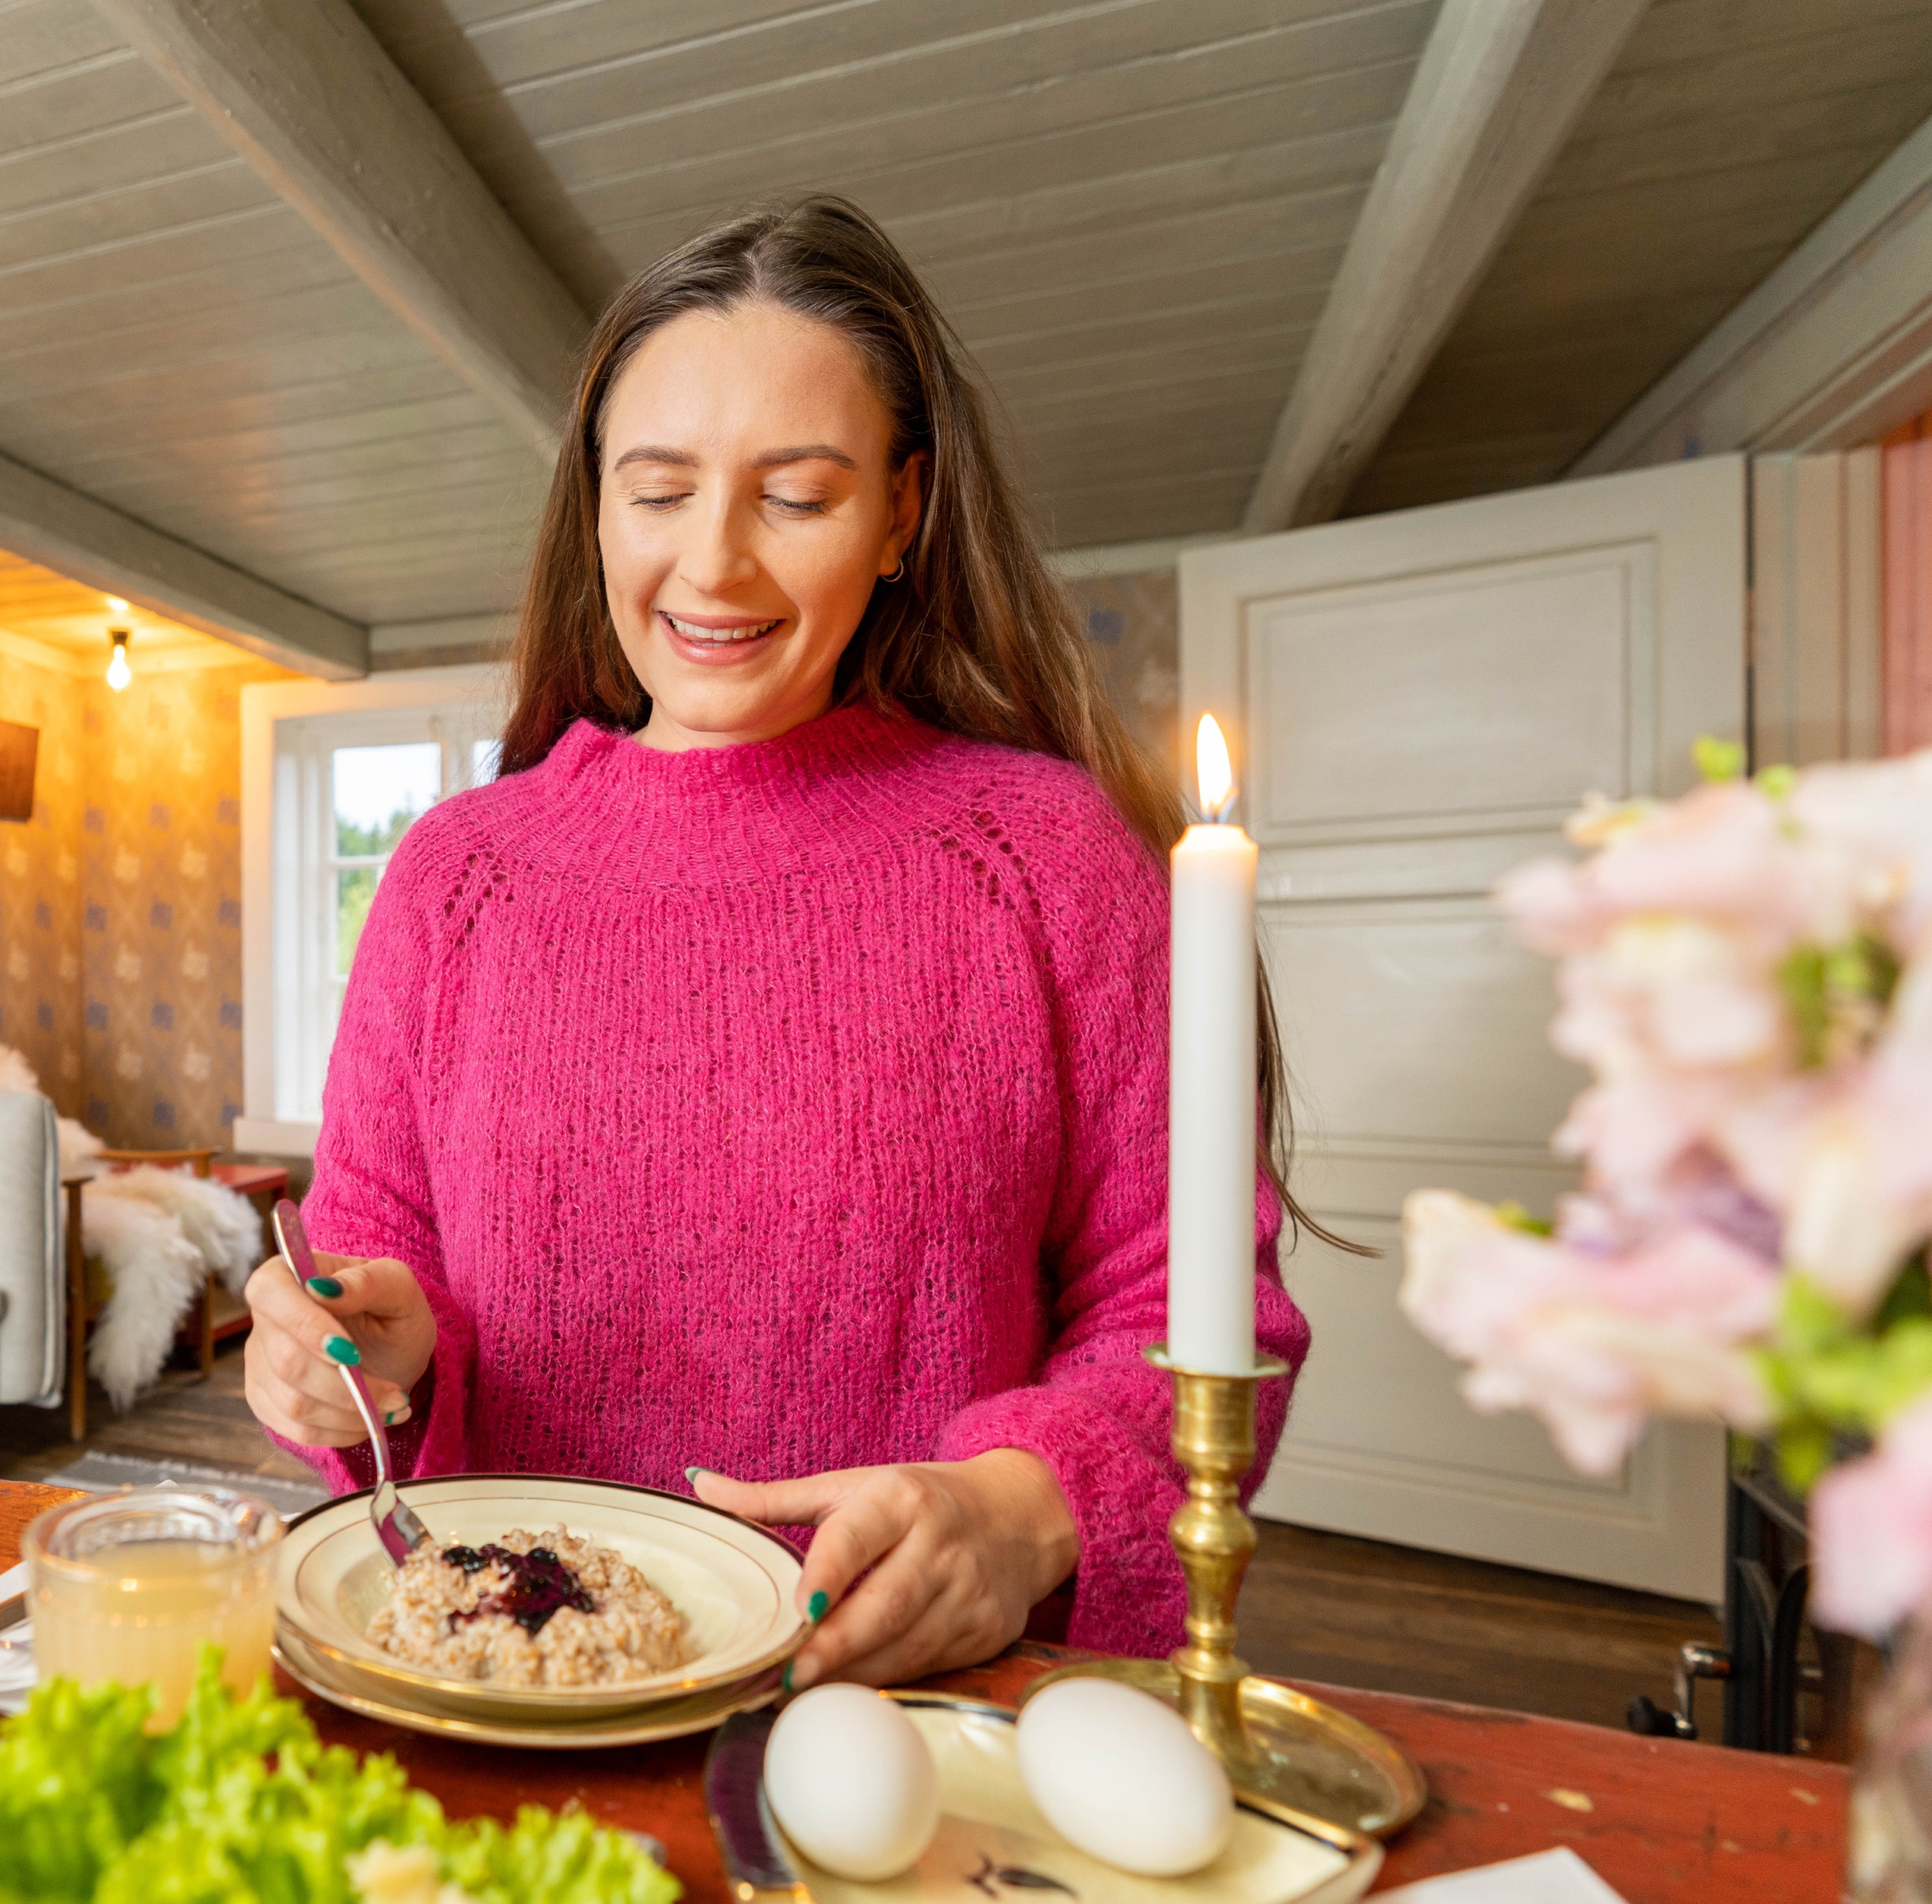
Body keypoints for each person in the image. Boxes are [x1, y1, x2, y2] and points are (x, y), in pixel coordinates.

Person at [242, 195, 1313, 1685]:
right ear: (597, 509)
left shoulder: (1043, 857)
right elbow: (376, 1287)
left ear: (902, 514)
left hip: (909, 1707)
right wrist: (356, 1351)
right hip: (505, 1699)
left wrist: (1021, 1508)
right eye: (659, 489)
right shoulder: (453, 877)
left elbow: (1189, 1305)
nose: (715, 568)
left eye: (796, 496)